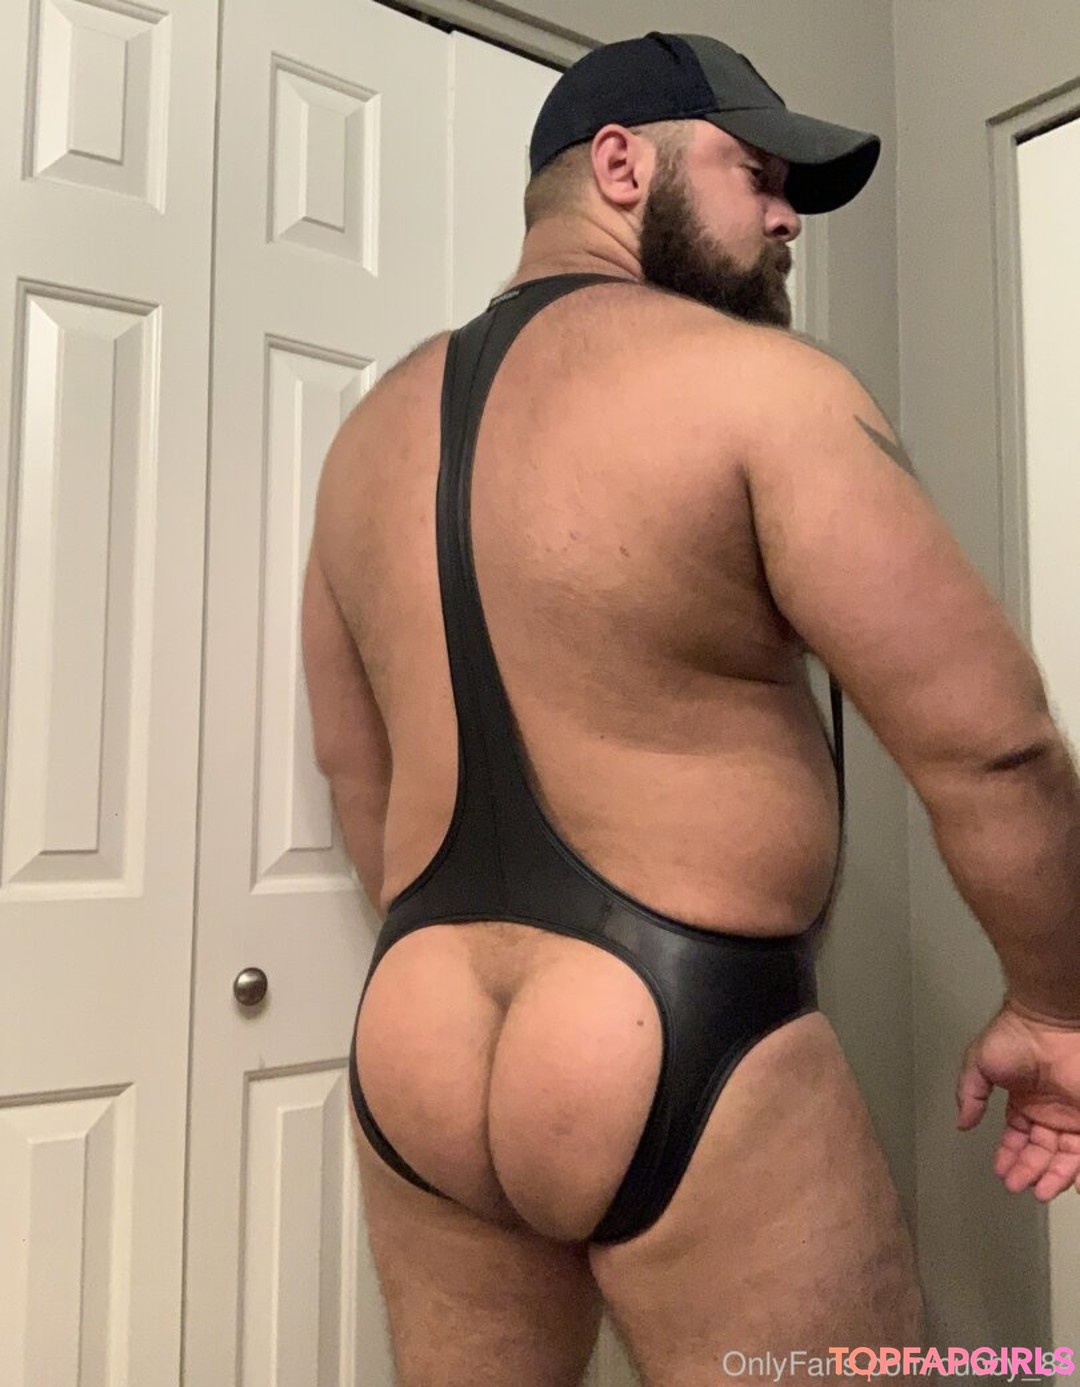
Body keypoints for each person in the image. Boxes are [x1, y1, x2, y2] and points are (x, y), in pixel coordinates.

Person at [300, 30, 1080, 1387]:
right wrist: (1058, 1008)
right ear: (621, 166)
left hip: (417, 1029)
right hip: (686, 1027)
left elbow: (351, 765)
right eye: (757, 175)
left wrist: (504, 992)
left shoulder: (367, 440)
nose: (787, 219)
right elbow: (996, 751)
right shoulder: (764, 389)